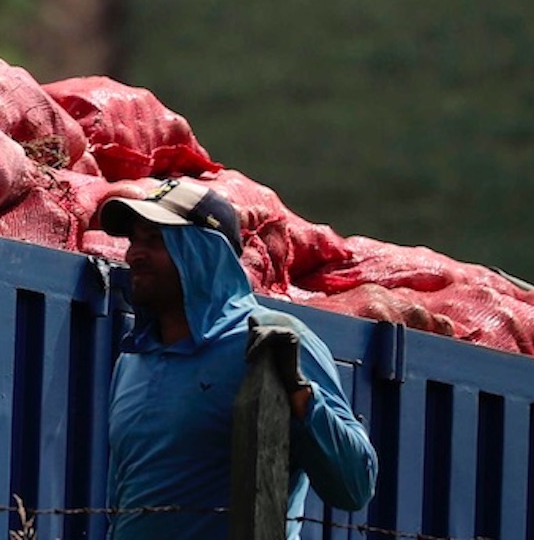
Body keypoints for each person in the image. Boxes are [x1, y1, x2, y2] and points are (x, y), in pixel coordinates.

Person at [98, 179, 376, 540]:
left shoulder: (272, 340)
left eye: (155, 240)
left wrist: (302, 395)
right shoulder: (132, 363)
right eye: (134, 239)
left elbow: (354, 485)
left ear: (204, 252)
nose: (133, 253)